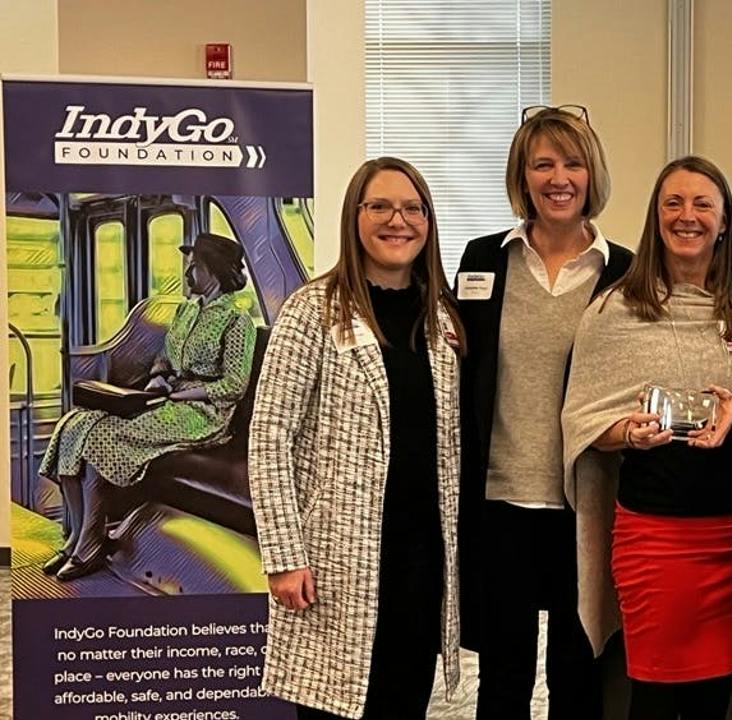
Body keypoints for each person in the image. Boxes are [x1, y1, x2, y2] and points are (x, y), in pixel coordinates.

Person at [562, 155, 732, 720]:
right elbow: (583, 419)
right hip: (652, 538)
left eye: (702, 204)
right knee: (655, 697)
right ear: (655, 216)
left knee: (714, 701)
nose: (687, 216)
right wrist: (626, 433)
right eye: (673, 202)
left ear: (724, 221)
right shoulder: (613, 311)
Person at [248, 157, 464, 719]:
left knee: (403, 704)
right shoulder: (311, 312)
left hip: (420, 562)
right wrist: (283, 556)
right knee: (335, 707)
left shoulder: (442, 320)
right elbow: (269, 437)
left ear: (428, 221)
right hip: (335, 563)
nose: (399, 220)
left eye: (413, 208)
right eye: (381, 207)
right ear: (355, 217)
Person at [455, 104, 632, 720]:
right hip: (500, 499)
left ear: (592, 175)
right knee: (500, 677)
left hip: (586, 505)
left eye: (573, 163)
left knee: (576, 678)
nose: (559, 178)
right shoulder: (481, 260)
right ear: (522, 176)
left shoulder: (626, 273)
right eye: (543, 164)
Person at [39, 232, 257, 582]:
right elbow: (165, 358)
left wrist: (181, 396)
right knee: (74, 425)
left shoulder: (236, 321)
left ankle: (90, 546)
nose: (187, 274)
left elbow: (233, 386)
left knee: (101, 436)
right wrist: (159, 377)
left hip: (204, 413)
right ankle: (77, 538)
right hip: (167, 398)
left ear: (212, 271)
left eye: (193, 267)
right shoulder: (186, 312)